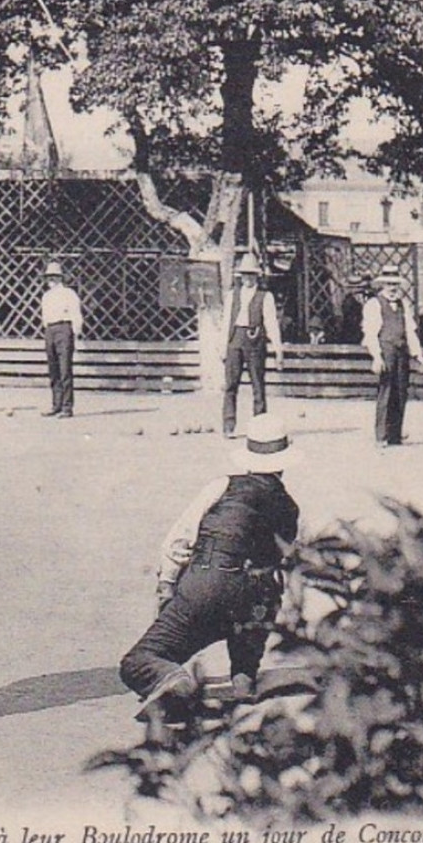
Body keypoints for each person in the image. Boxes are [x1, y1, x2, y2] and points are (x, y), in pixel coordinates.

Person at [120, 413, 301, 723]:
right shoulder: (290, 507)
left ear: (248, 456)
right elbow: (283, 559)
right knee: (264, 591)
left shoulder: (223, 485)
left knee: (138, 661)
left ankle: (172, 679)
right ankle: (243, 675)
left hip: (208, 586)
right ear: (283, 461)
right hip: (256, 602)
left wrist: (166, 588)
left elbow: (178, 542)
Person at [361, 267, 423, 447]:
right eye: (389, 284)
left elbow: (410, 331)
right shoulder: (374, 304)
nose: (392, 288)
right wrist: (376, 357)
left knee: (400, 392)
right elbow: (370, 333)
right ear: (382, 284)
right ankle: (381, 436)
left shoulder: (403, 304)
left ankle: (395, 435)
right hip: (386, 352)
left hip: (401, 352)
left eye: (395, 284)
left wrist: (418, 355)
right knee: (386, 393)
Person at [221, 250, 285, 437]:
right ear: (241, 276)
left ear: (257, 275)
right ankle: (229, 424)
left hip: (255, 340)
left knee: (258, 384)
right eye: (245, 274)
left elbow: (272, 323)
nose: (248, 278)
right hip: (235, 340)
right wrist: (222, 346)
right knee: (231, 384)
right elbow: (226, 321)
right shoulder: (233, 295)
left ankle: (260, 425)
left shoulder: (265, 297)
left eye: (251, 274)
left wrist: (278, 349)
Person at [40, 260, 84, 418]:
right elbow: (45, 317)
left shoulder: (69, 294)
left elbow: (76, 315)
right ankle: (56, 404)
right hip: (50, 330)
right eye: (49, 277)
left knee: (65, 369)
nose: (51, 280)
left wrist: (75, 334)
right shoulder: (46, 296)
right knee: (53, 370)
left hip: (64, 328)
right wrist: (47, 330)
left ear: (60, 278)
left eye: (54, 276)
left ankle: (67, 407)